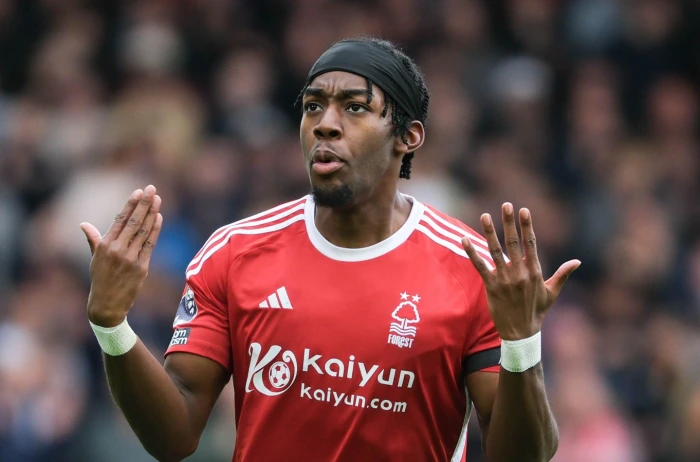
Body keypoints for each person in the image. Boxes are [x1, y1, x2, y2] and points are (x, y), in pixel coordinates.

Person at [80, 38, 580, 462]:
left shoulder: (472, 270)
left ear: (407, 137)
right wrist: (111, 325)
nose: (325, 123)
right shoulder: (234, 252)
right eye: (313, 106)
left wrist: (522, 344)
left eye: (354, 107)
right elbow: (175, 435)